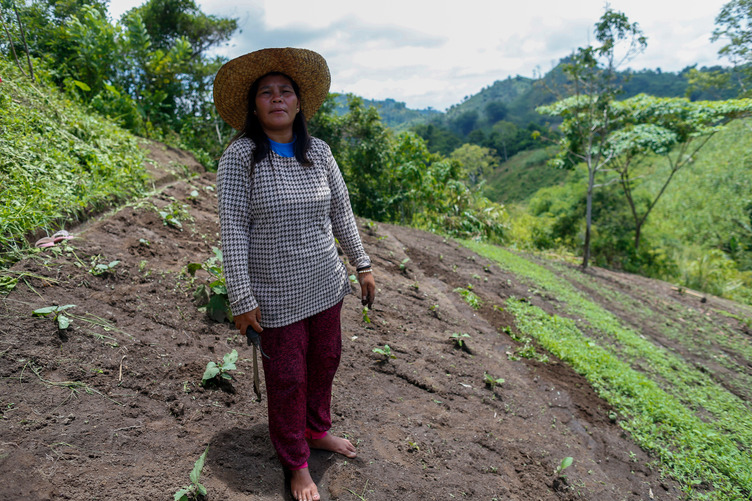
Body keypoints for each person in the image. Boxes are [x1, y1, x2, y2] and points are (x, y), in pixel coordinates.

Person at [213, 47, 376, 501]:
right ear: (254, 106)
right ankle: (296, 462)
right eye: (266, 93)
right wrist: (241, 299)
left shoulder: (319, 153)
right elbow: (234, 231)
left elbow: (341, 211)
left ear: (300, 102)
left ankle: (316, 428)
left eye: (286, 91)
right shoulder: (240, 158)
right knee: (287, 377)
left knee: (325, 360)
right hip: (276, 294)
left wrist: (362, 264)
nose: (277, 98)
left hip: (326, 283)